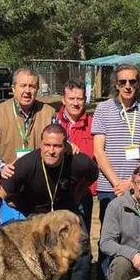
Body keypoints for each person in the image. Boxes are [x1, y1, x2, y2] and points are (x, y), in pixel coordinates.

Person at [1, 124, 98, 280]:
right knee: (35, 259)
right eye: (47, 145)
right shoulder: (26, 164)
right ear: (40, 144)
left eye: (57, 146)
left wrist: (76, 197)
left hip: (66, 215)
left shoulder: (78, 162)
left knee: (82, 253)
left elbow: (92, 175)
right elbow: (1, 193)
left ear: (66, 146)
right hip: (35, 218)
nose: (51, 151)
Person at [92, 64, 140, 227]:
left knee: (136, 234)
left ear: (138, 84)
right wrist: (117, 184)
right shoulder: (102, 109)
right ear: (116, 84)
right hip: (109, 187)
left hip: (139, 186)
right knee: (109, 236)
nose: (127, 86)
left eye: (132, 81)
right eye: (123, 82)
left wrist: (131, 182)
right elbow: (98, 152)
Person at [0, 68, 56, 180]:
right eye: (23, 85)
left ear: (37, 89)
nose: (27, 90)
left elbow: (58, 145)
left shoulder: (49, 113)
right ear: (13, 88)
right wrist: (1, 167)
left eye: (32, 86)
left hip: (40, 181)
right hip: (8, 182)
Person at [56, 80, 96, 230]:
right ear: (63, 100)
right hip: (57, 190)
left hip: (82, 191)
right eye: (71, 98)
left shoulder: (93, 124)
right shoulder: (53, 121)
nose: (75, 103)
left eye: (79, 99)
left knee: (82, 238)